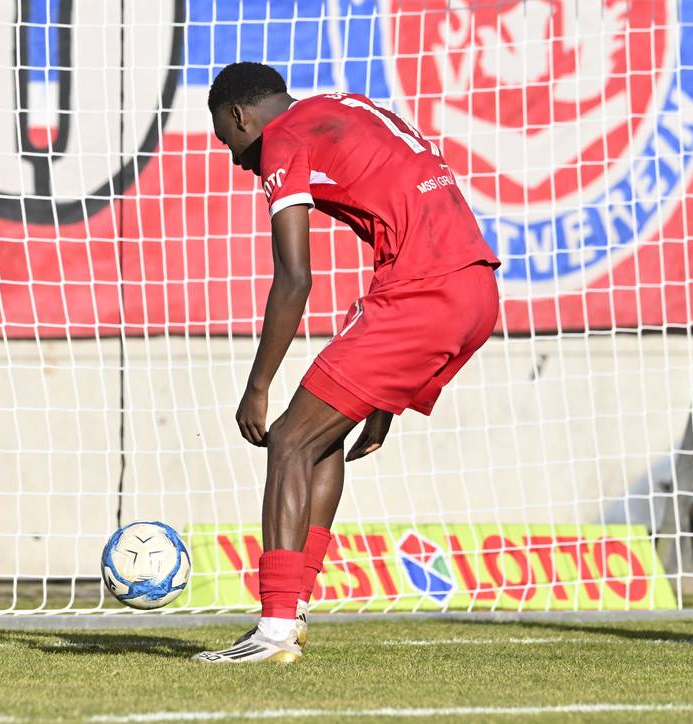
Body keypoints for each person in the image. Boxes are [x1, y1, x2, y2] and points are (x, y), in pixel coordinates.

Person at [194, 63, 500, 664]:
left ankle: (276, 629)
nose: (235, 160)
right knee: (319, 439)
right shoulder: (343, 104)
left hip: (422, 293)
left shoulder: (281, 137)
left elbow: (294, 279)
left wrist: (256, 388)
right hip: (474, 290)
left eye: (228, 142)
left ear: (239, 117)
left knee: (286, 439)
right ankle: (294, 610)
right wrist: (382, 398)